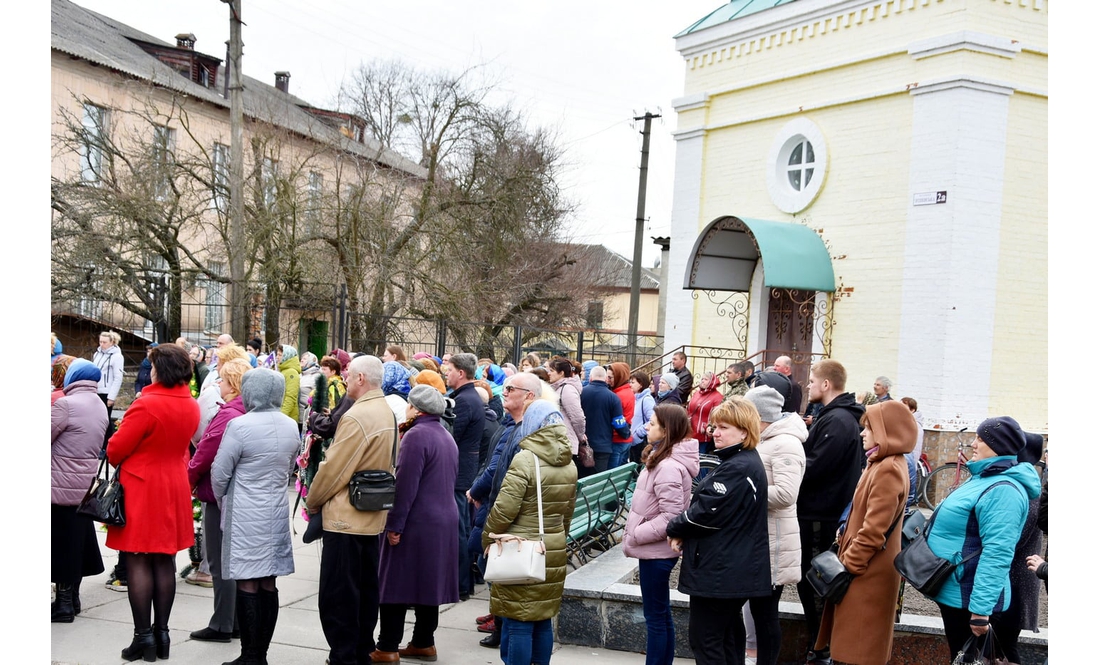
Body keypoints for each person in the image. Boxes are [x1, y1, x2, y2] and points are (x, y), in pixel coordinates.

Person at [105, 343, 200, 662]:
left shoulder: (146, 404)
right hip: (173, 485)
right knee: (163, 560)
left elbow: (115, 450)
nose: (151, 371)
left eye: (153, 366)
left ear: (162, 369)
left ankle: (143, 637)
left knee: (137, 559)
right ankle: (162, 636)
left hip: (143, 487)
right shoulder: (191, 403)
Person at [665, 397, 776, 665]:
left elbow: (706, 511)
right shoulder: (738, 461)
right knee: (727, 637)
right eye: (715, 427)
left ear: (745, 431)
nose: (715, 433)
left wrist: (675, 527)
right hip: (728, 568)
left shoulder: (739, 467)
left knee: (706, 639)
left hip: (723, 571)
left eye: (724, 427)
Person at [307, 355, 399, 665]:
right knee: (363, 591)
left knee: (339, 596)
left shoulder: (359, 415)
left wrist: (313, 499)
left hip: (346, 518)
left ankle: (345, 656)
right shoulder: (385, 410)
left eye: (349, 374)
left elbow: (335, 469)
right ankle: (359, 651)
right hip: (370, 515)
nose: (345, 378)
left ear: (361, 378)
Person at [926, 417, 1041, 661]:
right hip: (958, 590)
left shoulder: (1003, 489)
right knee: (960, 657)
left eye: (981, 438)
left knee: (967, 659)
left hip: (969, 598)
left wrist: (980, 611)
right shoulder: (984, 477)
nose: (974, 444)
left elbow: (998, 552)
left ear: (997, 446)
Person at [812, 400, 915, 665]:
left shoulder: (888, 468)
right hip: (865, 570)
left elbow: (873, 531)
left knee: (858, 651)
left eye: (868, 428)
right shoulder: (881, 463)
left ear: (885, 431)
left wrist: (847, 567)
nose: (862, 433)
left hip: (868, 574)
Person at [210, 367, 301, 665]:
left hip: (246, 511)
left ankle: (250, 655)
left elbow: (220, 472)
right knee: (268, 582)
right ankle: (260, 653)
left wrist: (223, 497)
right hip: (274, 509)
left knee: (247, 580)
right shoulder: (290, 425)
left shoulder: (240, 425)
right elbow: (289, 468)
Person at [482, 399, 578, 665]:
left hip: (520, 546)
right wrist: (557, 537)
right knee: (542, 618)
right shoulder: (569, 463)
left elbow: (504, 510)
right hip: (552, 547)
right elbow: (567, 512)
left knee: (518, 621)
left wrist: (487, 537)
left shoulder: (525, 459)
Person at [372, 385, 460, 663]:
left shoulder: (416, 436)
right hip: (443, 520)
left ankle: (387, 646)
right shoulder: (446, 435)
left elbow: (405, 486)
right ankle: (423, 642)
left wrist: (394, 525)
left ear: (415, 409)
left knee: (394, 584)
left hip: (418, 521)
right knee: (427, 585)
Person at [796, 359, 865, 665]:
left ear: (826, 384)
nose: (808, 385)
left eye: (811, 381)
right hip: (821, 511)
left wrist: (787, 469)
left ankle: (820, 647)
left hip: (820, 515)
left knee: (815, 581)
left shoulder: (837, 420)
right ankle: (819, 644)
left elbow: (817, 466)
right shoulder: (835, 417)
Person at [466, 372, 541, 648]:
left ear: (529, 396)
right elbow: (492, 463)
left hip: (505, 515)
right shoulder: (510, 424)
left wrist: (476, 491)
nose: (504, 392)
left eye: (511, 388)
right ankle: (499, 620)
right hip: (496, 505)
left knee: (495, 568)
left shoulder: (522, 431)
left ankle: (501, 626)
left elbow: (500, 470)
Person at [622, 404, 699, 665]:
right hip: (655, 550)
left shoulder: (668, 467)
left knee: (655, 617)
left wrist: (636, 533)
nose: (647, 426)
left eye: (653, 423)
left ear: (666, 431)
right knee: (660, 614)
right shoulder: (662, 459)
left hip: (657, 551)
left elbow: (671, 516)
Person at [186, 358, 252, 643]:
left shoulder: (228, 414)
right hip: (240, 495)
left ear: (234, 383)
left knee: (219, 560)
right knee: (233, 560)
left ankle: (222, 623)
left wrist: (188, 479)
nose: (218, 384)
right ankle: (233, 620)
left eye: (223, 380)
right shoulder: (247, 410)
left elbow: (205, 453)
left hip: (217, 494)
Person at [741, 386, 807, 665]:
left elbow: (786, 494)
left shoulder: (786, 443)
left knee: (766, 614)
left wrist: (741, 492)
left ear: (757, 414)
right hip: (759, 541)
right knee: (758, 611)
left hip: (775, 543)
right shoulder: (765, 440)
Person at [51, 359, 109, 623]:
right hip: (83, 484)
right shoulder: (98, 404)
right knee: (74, 541)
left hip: (58, 484)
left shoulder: (66, 404)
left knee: (61, 544)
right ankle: (72, 599)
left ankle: (63, 605)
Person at [993, 431, 1046, 664]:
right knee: (999, 646)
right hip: (1015, 580)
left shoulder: (1026, 489)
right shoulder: (1027, 482)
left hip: (1015, 583)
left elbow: (1012, 540)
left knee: (1004, 646)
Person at [446, 352, 485, 601]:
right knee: (460, 527)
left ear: (461, 373)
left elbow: (451, 436)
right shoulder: (467, 397)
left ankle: (460, 584)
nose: (445, 373)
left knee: (459, 529)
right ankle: (462, 582)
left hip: (459, 474)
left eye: (448, 369)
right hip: (463, 471)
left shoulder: (465, 400)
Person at [580, 366, 631, 473]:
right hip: (603, 447)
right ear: (605, 379)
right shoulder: (613, 397)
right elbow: (618, 423)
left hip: (582, 446)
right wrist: (626, 434)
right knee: (598, 481)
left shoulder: (581, 393)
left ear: (590, 378)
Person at [547, 357, 586, 470]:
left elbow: (577, 417)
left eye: (552, 370)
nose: (548, 373)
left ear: (562, 373)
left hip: (565, 443)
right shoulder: (558, 388)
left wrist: (580, 436)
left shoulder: (567, 389)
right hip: (559, 443)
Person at [686, 371, 724, 456]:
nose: (702, 381)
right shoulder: (696, 393)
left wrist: (707, 426)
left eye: (706, 379)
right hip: (691, 431)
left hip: (703, 434)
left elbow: (717, 416)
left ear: (712, 382)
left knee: (701, 459)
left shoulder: (717, 397)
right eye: (702, 379)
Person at [608, 362, 636, 468]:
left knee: (612, 477)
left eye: (611, 377)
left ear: (619, 377)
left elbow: (617, 420)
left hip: (617, 440)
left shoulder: (618, 396)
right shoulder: (628, 391)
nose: (608, 380)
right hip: (626, 440)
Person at [93, 330, 125, 412]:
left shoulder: (117, 356)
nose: (102, 344)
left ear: (112, 342)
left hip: (106, 392)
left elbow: (118, 378)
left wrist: (111, 397)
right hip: (95, 390)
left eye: (105, 342)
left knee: (105, 419)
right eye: (100, 342)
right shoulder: (97, 354)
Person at [630, 370, 656, 464]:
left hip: (640, 441)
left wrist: (638, 433)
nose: (630, 385)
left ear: (641, 384)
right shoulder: (636, 398)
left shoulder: (647, 399)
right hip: (634, 441)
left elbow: (652, 420)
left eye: (633, 382)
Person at [275, 344, 301, 424]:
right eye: (277, 354)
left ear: (287, 356)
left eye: (280, 355)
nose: (277, 357)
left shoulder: (291, 372)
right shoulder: (284, 370)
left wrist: (281, 416)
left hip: (287, 417)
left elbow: (290, 397)